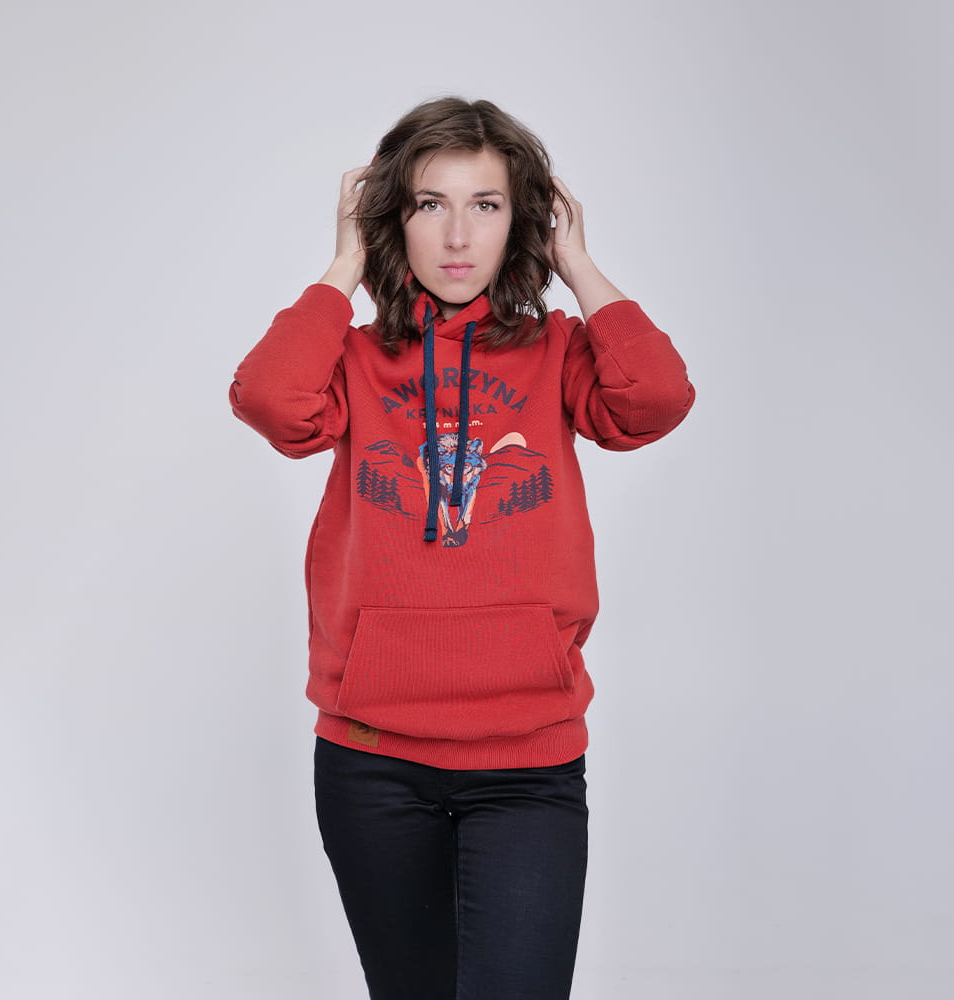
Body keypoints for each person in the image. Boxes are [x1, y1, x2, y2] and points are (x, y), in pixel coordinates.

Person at [229, 97, 695, 1000]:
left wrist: (576, 264)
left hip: (527, 762)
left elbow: (656, 400)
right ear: (392, 219)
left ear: (522, 221)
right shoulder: (353, 359)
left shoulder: (559, 351)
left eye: (485, 205)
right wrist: (344, 265)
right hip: (374, 760)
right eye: (427, 204)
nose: (455, 235)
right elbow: (271, 402)